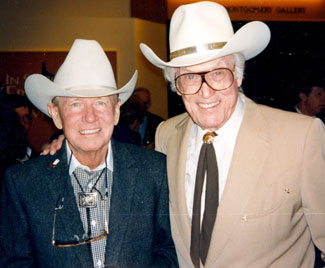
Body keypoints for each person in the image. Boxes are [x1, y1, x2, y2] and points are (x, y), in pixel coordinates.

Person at [139, 2, 325, 268]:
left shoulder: (300, 136)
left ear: (238, 75)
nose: (206, 92)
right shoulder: (167, 135)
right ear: (176, 85)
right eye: (190, 77)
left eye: (217, 73)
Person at [0, 39, 178, 268]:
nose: (90, 116)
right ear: (56, 115)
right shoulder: (22, 184)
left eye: (101, 103)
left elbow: (169, 251)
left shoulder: (155, 170)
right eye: (75, 104)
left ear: (115, 112)